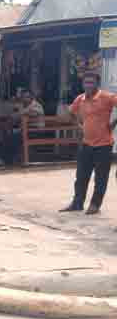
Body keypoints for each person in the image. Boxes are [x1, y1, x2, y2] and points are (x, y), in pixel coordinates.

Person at [60, 71, 117, 215]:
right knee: (81, 176)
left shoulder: (106, 97)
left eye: (91, 82)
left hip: (104, 144)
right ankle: (77, 203)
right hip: (86, 144)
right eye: (86, 82)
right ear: (82, 84)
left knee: (100, 178)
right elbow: (71, 112)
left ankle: (95, 205)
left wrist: (114, 123)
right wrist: (78, 126)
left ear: (97, 83)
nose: (88, 85)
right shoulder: (80, 99)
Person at [0, 88, 45, 167]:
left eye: (27, 97)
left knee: (13, 138)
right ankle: (5, 159)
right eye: (23, 97)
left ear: (32, 97)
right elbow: (14, 116)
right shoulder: (23, 106)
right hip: (25, 130)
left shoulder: (36, 105)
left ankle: (3, 159)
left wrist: (21, 114)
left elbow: (33, 113)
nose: (25, 99)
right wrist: (17, 115)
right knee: (6, 136)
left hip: (35, 131)